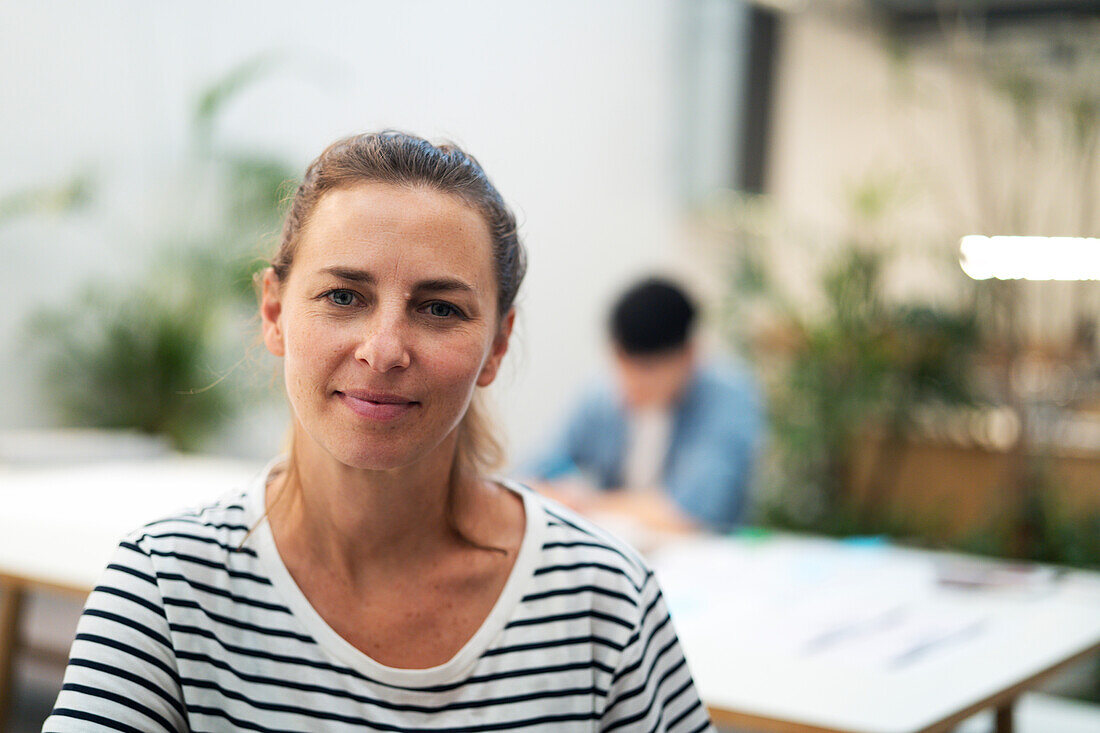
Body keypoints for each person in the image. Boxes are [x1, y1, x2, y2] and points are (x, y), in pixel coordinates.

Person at [45, 132, 714, 732]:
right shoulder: (164, 587)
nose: (384, 349)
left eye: (439, 307)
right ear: (274, 312)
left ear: (499, 345)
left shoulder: (606, 597)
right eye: (343, 296)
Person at [526, 278, 762, 534]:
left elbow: (691, 514)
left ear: (689, 355)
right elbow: (528, 478)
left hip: (702, 560)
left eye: (646, 369)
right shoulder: (601, 393)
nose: (631, 382)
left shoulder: (727, 397)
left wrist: (582, 501)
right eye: (621, 363)